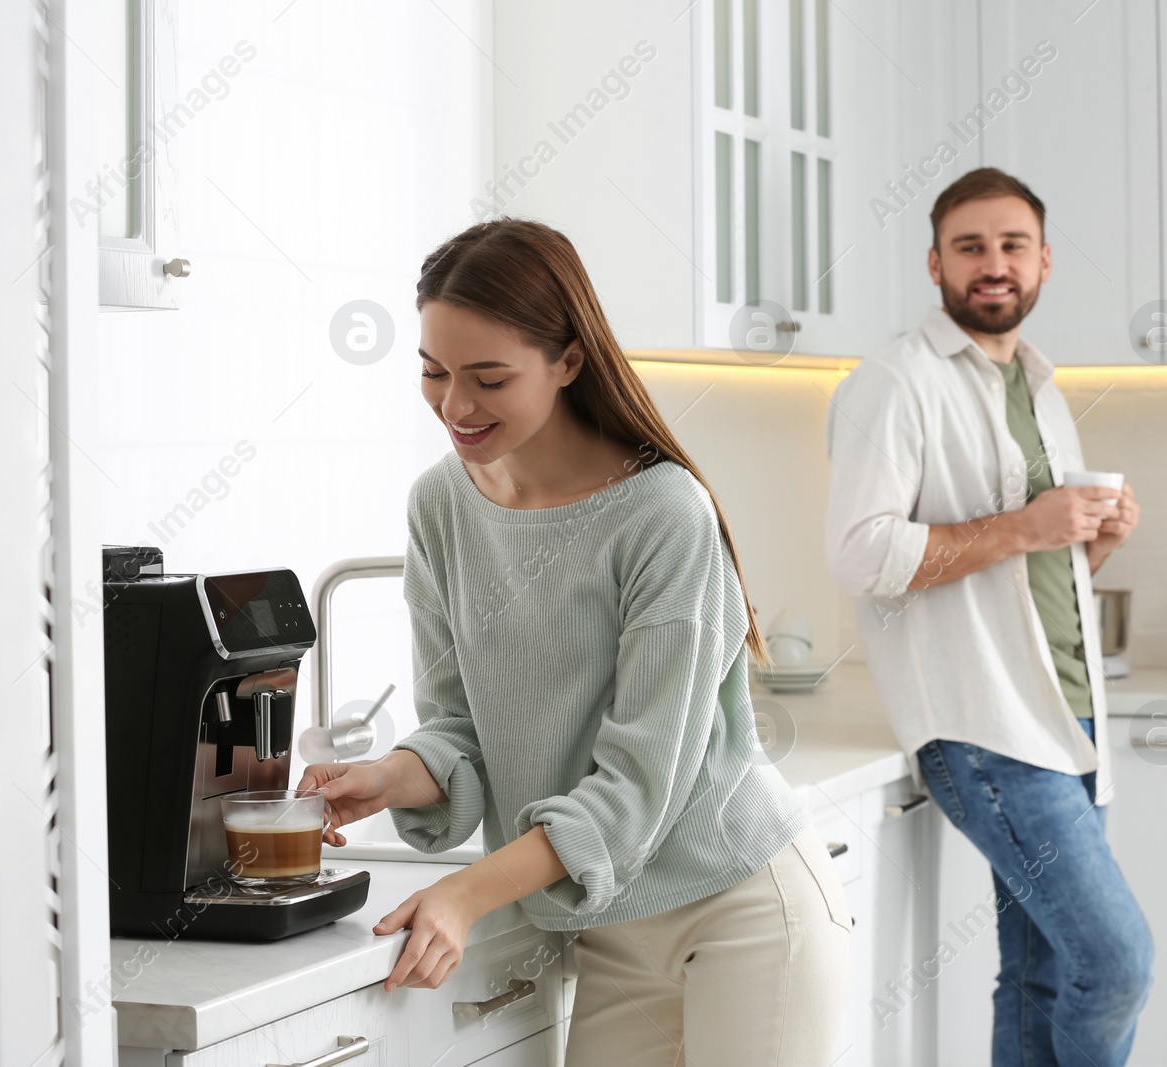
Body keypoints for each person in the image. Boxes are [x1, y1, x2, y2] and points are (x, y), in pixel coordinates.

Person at [299, 218, 850, 1065]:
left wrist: (466, 894)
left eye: (488, 378)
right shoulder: (441, 506)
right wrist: (387, 776)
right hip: (611, 924)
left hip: (744, 906)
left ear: (567, 362)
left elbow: (634, 787)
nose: (455, 405)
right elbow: (459, 727)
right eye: (433, 372)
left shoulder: (662, 514)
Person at [825, 168, 1152, 1065]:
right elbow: (859, 553)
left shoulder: (1040, 387)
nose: (993, 264)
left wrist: (1091, 544)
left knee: (1043, 975)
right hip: (986, 729)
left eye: (1013, 245)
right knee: (1118, 961)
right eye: (971, 246)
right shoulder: (894, 382)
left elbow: (1021, 564)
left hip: (1071, 718)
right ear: (936, 262)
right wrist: (1021, 526)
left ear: (1044, 261)